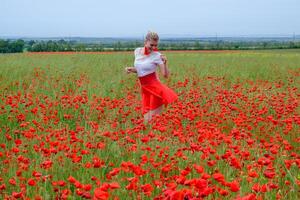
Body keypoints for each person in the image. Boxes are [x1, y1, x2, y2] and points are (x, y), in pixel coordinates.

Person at [125, 31, 178, 123]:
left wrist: (165, 63)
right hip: (145, 89)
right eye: (151, 45)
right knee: (146, 121)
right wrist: (132, 69)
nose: (153, 48)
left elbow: (165, 75)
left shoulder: (157, 56)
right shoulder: (137, 51)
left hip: (155, 89)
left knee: (152, 121)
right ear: (145, 42)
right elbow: (142, 69)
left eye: (155, 45)